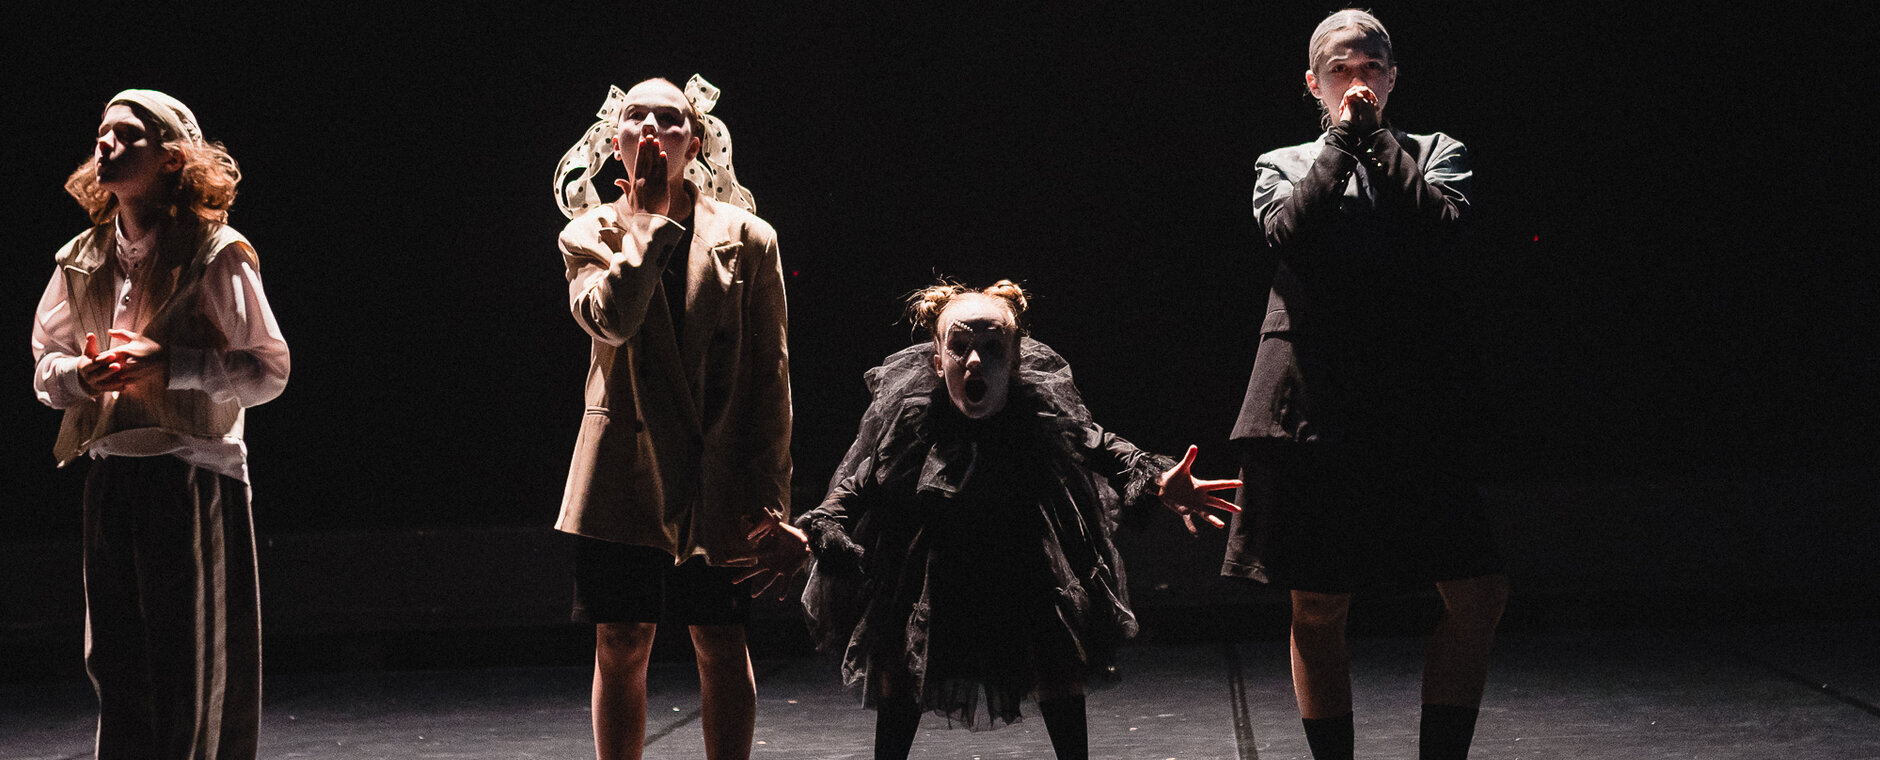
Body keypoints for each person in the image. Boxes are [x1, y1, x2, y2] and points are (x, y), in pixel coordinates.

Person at [1219, 10, 1510, 760]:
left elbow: (1442, 227)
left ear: (1393, 77)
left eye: (1372, 68)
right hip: (1313, 403)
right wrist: (1342, 145)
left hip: (1416, 402)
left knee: (1477, 592)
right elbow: (1289, 234)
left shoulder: (1434, 151)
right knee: (1318, 602)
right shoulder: (1282, 163)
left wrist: (1376, 142)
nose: (1359, 83)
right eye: (1342, 71)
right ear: (1313, 84)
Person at [797, 281, 1240, 760]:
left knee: (1056, 656)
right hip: (935, 575)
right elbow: (858, 486)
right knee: (901, 662)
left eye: (992, 348)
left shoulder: (1041, 416)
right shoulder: (913, 424)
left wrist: (1155, 479)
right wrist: (817, 528)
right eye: (959, 347)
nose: (974, 361)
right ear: (937, 361)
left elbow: (1104, 447)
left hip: (1024, 567)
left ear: (1014, 360)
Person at [550, 74, 807, 760]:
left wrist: (773, 500)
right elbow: (611, 319)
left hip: (714, 470)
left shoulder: (750, 238)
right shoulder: (588, 234)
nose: (652, 130)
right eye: (637, 117)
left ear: (695, 143)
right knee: (620, 638)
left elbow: (771, 376)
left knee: (720, 637)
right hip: (621, 470)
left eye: (670, 119)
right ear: (615, 142)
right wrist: (647, 223)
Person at [30, 89, 290, 760]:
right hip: (110, 472)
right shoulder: (81, 257)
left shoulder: (214, 252)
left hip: (190, 475)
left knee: (190, 668)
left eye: (126, 135)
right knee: (117, 665)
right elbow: (44, 365)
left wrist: (173, 366)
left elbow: (268, 370)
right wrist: (79, 376)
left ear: (172, 160)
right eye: (101, 131)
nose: (105, 143)